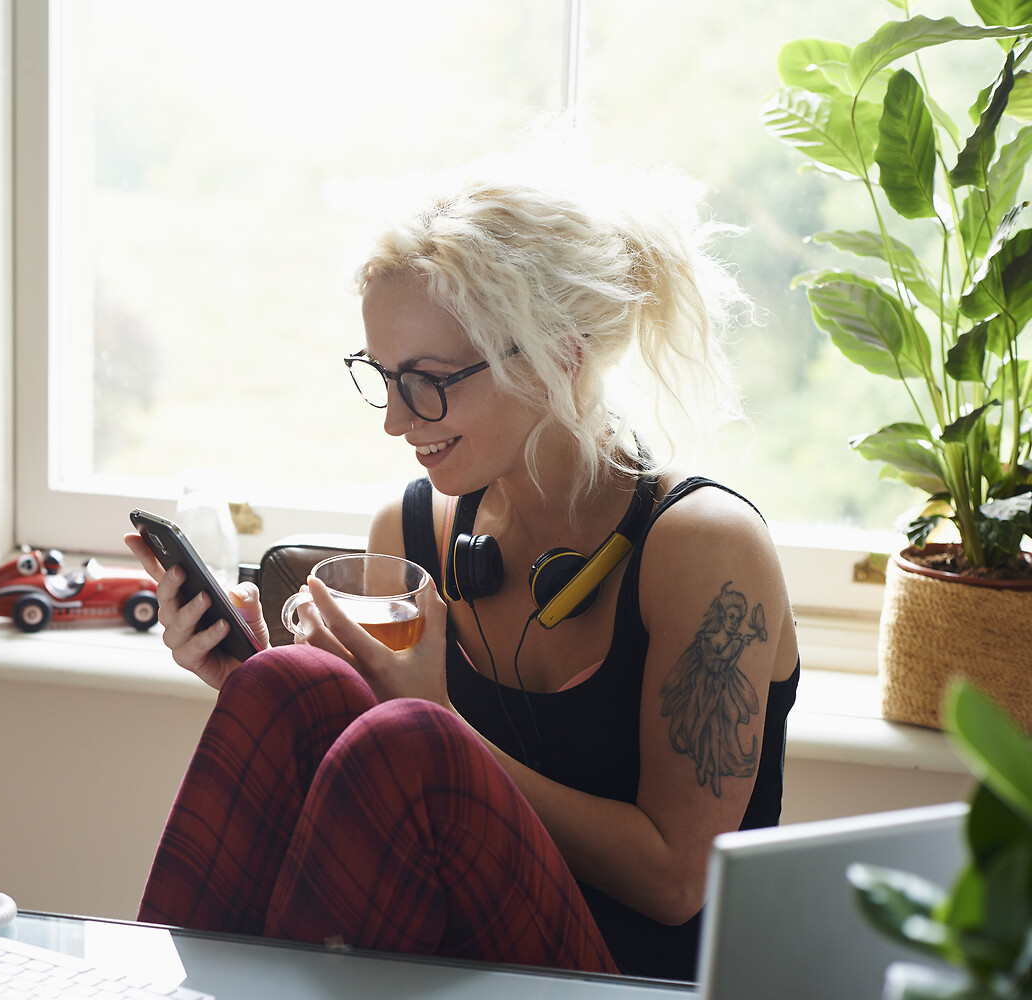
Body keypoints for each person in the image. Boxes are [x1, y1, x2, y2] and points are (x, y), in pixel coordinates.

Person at [124, 157, 800, 982]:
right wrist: (255, 682)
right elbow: (367, 802)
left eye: (429, 382)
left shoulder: (705, 548)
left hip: (631, 984)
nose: (397, 420)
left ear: (559, 357)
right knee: (287, 682)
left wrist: (439, 719)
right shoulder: (410, 534)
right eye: (384, 378)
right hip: (453, 968)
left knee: (413, 736)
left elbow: (677, 882)